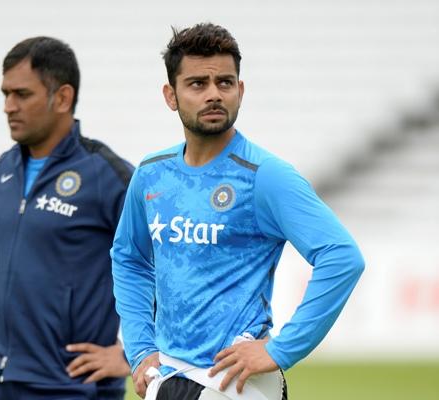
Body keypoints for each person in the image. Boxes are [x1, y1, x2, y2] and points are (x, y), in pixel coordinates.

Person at [111, 23, 365, 400]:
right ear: (171, 95)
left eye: (225, 83)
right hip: (167, 377)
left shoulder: (265, 176)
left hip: (234, 384)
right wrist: (140, 350)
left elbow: (342, 257)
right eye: (197, 84)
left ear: (240, 91)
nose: (214, 94)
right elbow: (129, 258)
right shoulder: (152, 174)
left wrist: (281, 349)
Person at [0, 36, 132, 400]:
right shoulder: (4, 170)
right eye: (5, 94)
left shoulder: (107, 175)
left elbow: (169, 261)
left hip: (76, 389)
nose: (8, 106)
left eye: (22, 94)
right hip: (3, 384)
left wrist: (131, 353)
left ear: (62, 98)